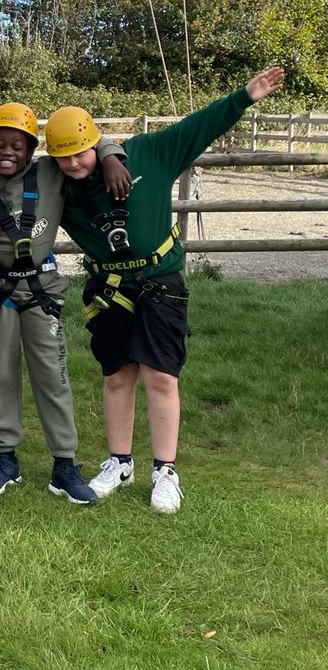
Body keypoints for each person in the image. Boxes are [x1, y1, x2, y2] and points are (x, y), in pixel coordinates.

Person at [46, 66, 284, 514]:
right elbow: (11, 171)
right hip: (108, 286)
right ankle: (119, 462)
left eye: (82, 152)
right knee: (117, 376)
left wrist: (245, 95)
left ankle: (165, 470)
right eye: (64, 157)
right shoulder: (57, 185)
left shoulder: (149, 154)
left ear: (94, 141)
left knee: (160, 375)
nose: (74, 163)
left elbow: (198, 126)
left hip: (160, 282)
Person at [0, 102, 130, 505]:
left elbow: (83, 145)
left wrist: (111, 155)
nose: (8, 152)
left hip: (42, 292)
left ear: (31, 149)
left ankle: (64, 462)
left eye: (18, 146)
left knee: (52, 377)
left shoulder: (49, 173)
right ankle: (5, 457)